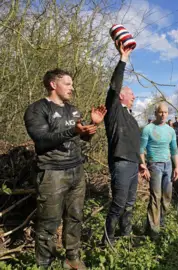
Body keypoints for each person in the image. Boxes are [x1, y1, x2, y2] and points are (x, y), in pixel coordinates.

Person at [24, 68, 106, 269]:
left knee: (75, 217)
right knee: (48, 223)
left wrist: (91, 127)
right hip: (52, 173)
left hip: (76, 172)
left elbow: (80, 137)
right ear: (53, 84)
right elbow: (42, 141)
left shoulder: (73, 110)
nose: (72, 87)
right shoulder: (37, 109)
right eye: (67, 84)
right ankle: (44, 264)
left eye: (72, 84)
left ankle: (72, 259)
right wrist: (72, 131)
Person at [103, 41, 145, 245]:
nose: (135, 96)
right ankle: (107, 242)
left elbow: (135, 143)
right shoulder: (114, 111)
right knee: (118, 205)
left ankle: (125, 237)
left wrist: (141, 163)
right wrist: (123, 59)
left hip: (132, 165)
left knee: (129, 204)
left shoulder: (132, 118)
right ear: (121, 96)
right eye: (131, 94)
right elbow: (114, 85)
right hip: (119, 163)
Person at [140, 103, 178, 238]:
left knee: (167, 197)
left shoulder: (171, 130)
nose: (163, 114)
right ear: (156, 113)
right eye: (160, 112)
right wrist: (143, 165)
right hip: (154, 165)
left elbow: (174, 150)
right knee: (155, 197)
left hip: (168, 165)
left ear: (168, 114)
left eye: (165, 112)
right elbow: (140, 150)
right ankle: (153, 230)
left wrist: (177, 168)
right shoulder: (148, 129)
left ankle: (160, 223)